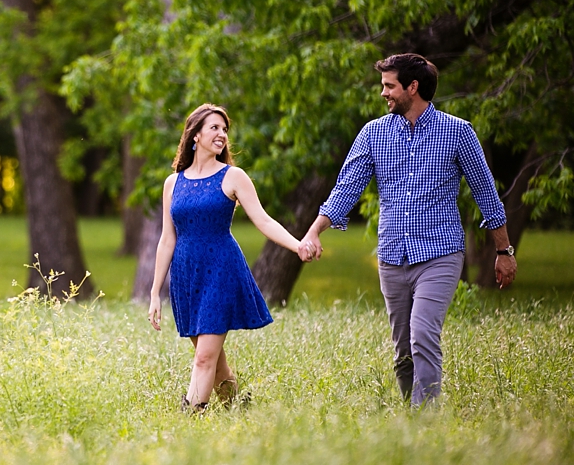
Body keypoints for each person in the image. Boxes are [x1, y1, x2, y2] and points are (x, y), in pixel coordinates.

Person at [301, 53, 517, 406]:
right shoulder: (373, 133)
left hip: (440, 255)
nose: (383, 93)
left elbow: (487, 195)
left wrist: (504, 252)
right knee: (403, 349)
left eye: (389, 86)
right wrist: (314, 232)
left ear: (412, 88)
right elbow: (345, 189)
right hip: (392, 258)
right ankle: (410, 417)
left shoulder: (458, 132)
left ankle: (426, 421)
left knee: (422, 336)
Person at [148, 103, 314, 412]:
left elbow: (263, 221)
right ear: (195, 135)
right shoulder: (173, 183)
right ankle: (239, 409)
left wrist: (297, 245)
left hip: (220, 271)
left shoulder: (233, 177)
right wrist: (156, 292)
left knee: (204, 358)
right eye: (214, 128)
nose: (222, 134)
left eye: (225, 129)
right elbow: (167, 238)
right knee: (216, 362)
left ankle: (190, 419)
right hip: (186, 276)